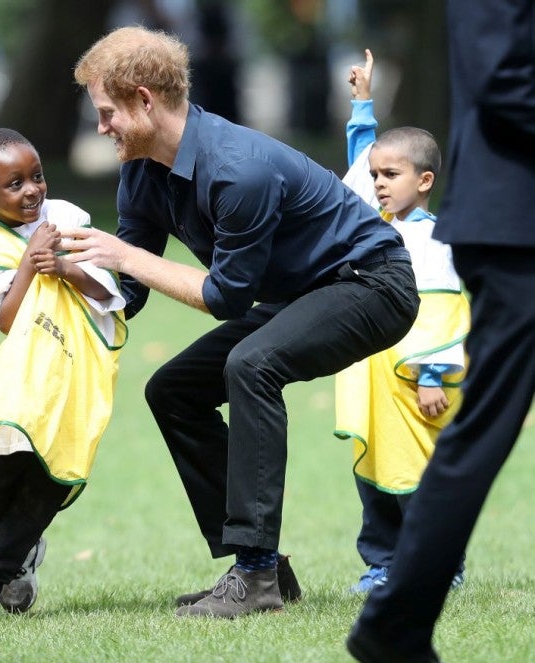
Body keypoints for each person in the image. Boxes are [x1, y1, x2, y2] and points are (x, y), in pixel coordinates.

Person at [63, 26, 420, 619]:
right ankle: (268, 571)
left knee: (251, 364)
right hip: (303, 292)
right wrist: (60, 275)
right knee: (174, 390)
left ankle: (253, 576)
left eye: (107, 112)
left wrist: (126, 256)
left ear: (144, 100)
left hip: (372, 284)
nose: (102, 127)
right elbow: (128, 292)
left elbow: (226, 296)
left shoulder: (238, 169)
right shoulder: (143, 169)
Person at [347, 1, 535, 660]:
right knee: (483, 424)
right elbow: (501, 75)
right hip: (516, 222)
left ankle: (394, 618)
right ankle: (396, 617)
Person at [0, 128, 127, 618]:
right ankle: (23, 551)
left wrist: (64, 266)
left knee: (52, 468)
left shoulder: (67, 219)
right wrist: (29, 263)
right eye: (14, 184)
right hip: (23, 371)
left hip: (75, 367)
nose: (32, 191)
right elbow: (6, 319)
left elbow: (110, 292)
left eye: (37, 177)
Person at [336, 49, 470, 594]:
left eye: (392, 175)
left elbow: (443, 310)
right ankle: (383, 563)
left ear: (425, 180)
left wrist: (434, 374)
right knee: (375, 475)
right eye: (376, 176)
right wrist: (362, 105)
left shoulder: (436, 241)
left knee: (417, 477)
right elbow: (355, 172)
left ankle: (441, 566)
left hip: (415, 384)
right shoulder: (375, 223)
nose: (379, 184)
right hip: (373, 379)